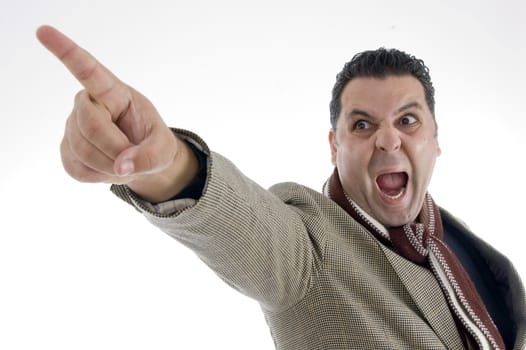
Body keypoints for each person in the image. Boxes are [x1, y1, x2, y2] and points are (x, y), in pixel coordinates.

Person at [36, 25, 525, 350]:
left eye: (408, 120)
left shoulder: (461, 246)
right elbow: (247, 227)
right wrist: (166, 164)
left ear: (435, 141)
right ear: (334, 148)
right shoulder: (309, 253)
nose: (388, 138)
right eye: (361, 125)